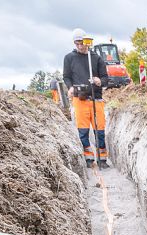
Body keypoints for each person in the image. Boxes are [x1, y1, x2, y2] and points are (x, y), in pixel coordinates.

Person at [63, 28, 110, 169]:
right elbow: (66, 77)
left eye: (81, 43)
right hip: (80, 99)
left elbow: (106, 79)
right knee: (83, 131)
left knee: (99, 130)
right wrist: (70, 87)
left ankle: (102, 159)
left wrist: (99, 81)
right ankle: (89, 159)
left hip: (96, 99)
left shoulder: (96, 58)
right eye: (76, 43)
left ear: (86, 42)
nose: (79, 46)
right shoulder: (69, 58)